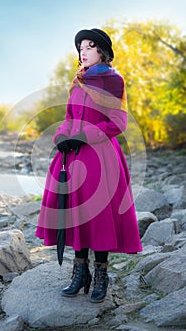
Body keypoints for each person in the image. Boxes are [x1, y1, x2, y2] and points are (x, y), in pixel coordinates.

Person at [35, 28, 142, 303]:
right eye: (80, 47)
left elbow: (118, 122)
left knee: (99, 214)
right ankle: (79, 273)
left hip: (100, 155)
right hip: (71, 156)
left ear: (102, 51)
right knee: (74, 212)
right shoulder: (77, 82)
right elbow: (69, 116)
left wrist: (83, 136)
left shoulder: (113, 80)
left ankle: (101, 275)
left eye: (90, 47)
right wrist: (61, 137)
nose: (83, 52)